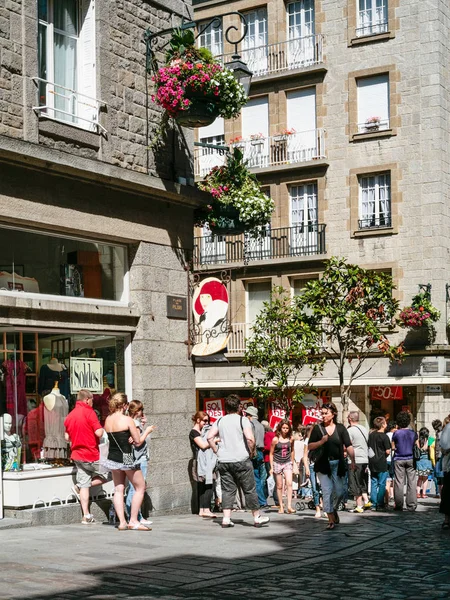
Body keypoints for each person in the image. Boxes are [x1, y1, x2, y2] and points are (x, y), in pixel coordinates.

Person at [207, 394, 270, 528]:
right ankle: (257, 517)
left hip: (224, 460)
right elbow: (250, 439)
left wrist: (216, 451)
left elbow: (209, 437)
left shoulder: (219, 420)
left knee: (227, 490)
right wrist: (251, 452)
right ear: (239, 407)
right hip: (241, 459)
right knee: (249, 489)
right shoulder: (243, 420)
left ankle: (226, 518)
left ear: (226, 407)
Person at [103, 392, 150, 531]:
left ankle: (122, 522)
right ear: (124, 405)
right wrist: (146, 431)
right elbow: (137, 441)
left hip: (112, 457)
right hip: (126, 456)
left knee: (118, 489)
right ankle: (134, 520)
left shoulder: (108, 419)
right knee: (140, 487)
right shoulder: (127, 420)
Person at [308, 402, 356, 530]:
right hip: (323, 465)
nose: (323, 416)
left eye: (326, 413)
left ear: (333, 414)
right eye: (322, 413)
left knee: (340, 492)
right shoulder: (317, 429)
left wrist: (353, 460)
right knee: (327, 491)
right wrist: (321, 441)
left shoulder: (340, 428)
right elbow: (310, 446)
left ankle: (333, 509)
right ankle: (330, 520)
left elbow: (349, 445)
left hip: (337, 464)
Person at [64, 389, 108, 525]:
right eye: (92, 400)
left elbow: (66, 438)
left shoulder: (70, 416)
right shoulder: (90, 413)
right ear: (87, 399)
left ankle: (86, 516)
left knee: (84, 485)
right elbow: (99, 432)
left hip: (77, 455)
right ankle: (81, 486)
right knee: (110, 473)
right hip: (91, 454)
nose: (93, 402)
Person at [125, 400, 156, 526]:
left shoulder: (130, 422)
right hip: (139, 457)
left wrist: (143, 425)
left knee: (133, 488)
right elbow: (138, 442)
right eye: (141, 410)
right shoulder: (135, 423)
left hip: (133, 457)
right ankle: (134, 516)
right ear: (137, 411)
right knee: (136, 488)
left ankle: (136, 516)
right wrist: (147, 431)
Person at [189, 411, 217, 518]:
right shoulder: (194, 432)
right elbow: (203, 445)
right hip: (200, 462)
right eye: (204, 421)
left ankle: (202, 509)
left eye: (208, 421)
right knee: (208, 484)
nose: (206, 423)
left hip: (205, 461)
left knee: (204, 485)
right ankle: (206, 509)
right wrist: (215, 440)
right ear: (198, 420)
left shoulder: (203, 431)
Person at [392, 411, 418, 512]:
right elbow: (416, 446)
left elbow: (393, 447)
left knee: (399, 482)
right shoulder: (413, 433)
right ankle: (411, 505)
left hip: (399, 458)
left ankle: (398, 504)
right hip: (410, 458)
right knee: (412, 482)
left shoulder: (396, 433)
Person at [347, 411, 371, 513]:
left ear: (349, 419)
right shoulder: (364, 429)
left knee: (354, 482)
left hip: (354, 459)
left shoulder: (350, 430)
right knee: (362, 480)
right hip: (365, 458)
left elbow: (348, 444)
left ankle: (359, 505)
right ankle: (366, 501)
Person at [269, 419, 295, 514]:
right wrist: (271, 467)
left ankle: (289, 505)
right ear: (280, 428)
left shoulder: (291, 438)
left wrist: (293, 462)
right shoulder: (275, 439)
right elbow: (271, 453)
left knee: (289, 483)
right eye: (283, 428)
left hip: (287, 462)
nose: (285, 430)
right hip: (277, 462)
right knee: (279, 485)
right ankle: (281, 506)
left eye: (287, 428)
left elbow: (292, 450)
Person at [245, 405, 268, 509]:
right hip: (260, 452)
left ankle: (261, 501)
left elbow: (250, 440)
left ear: (249, 415)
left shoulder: (250, 424)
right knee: (259, 476)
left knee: (255, 478)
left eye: (246, 414)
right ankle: (262, 500)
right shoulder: (261, 425)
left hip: (253, 452)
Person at [368, 417, 391, 511]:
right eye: (385, 423)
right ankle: (380, 503)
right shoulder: (384, 436)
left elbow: (369, 447)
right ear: (382, 425)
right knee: (382, 483)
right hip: (381, 462)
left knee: (373, 482)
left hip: (372, 461)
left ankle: (373, 503)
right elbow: (388, 451)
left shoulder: (371, 435)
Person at [303, 423, 322, 519]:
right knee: (315, 488)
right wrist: (306, 468)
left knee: (323, 488)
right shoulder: (307, 441)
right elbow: (305, 455)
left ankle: (326, 508)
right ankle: (317, 508)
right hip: (312, 465)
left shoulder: (322, 439)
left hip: (322, 465)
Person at [262, 420, 279, 507]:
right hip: (272, 458)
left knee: (270, 479)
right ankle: (268, 498)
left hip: (268, 459)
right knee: (271, 479)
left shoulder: (268, 435)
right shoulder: (272, 434)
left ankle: (267, 498)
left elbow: (269, 447)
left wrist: (262, 448)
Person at [438, 415, 450, 529]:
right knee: (447, 492)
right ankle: (447, 519)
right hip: (449, 467)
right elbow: (444, 447)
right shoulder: (448, 429)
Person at [415, 427, 433, 498]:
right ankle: (424, 493)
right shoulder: (428, 440)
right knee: (425, 479)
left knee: (419, 478)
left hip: (419, 462)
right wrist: (427, 441)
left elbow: (419, 449)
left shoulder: (417, 441)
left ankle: (418, 493)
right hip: (426, 462)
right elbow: (425, 448)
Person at [385, 421, 397, 505]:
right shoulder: (394, 436)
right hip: (392, 459)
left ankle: (388, 496)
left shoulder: (385, 435)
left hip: (386, 459)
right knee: (393, 479)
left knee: (387, 479)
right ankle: (392, 496)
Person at [431, 419, 443, 497]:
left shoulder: (439, 434)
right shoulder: (441, 432)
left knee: (439, 477)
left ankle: (440, 494)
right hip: (441, 456)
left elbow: (438, 447)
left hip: (440, 457)